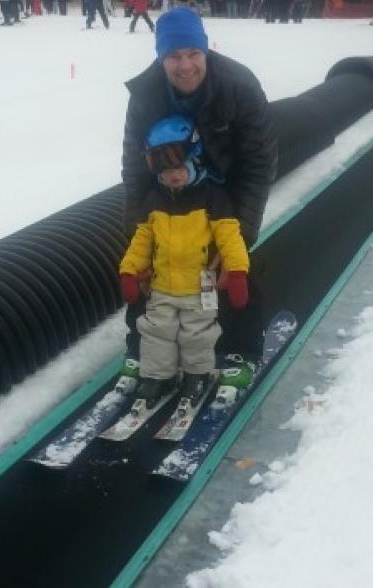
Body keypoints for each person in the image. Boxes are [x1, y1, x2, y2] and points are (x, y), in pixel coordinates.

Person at [120, 7, 277, 400]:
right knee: (157, 267)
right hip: (169, 185)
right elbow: (133, 164)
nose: (185, 65)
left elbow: (259, 163)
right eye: (174, 56)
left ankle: (240, 349)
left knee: (232, 264)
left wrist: (241, 234)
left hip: (229, 184)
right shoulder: (146, 95)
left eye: (193, 53)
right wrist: (138, 228)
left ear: (206, 51)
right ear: (161, 57)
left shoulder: (238, 86)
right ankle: (145, 350)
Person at [119, 115, 250, 407]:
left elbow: (230, 237)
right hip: (162, 287)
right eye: (164, 172)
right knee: (156, 332)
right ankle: (158, 376)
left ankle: (197, 375)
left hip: (199, 288)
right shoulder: (154, 199)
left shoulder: (213, 198)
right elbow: (142, 240)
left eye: (178, 167)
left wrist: (238, 272)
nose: (172, 176)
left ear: (196, 160)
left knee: (198, 334)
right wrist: (129, 271)